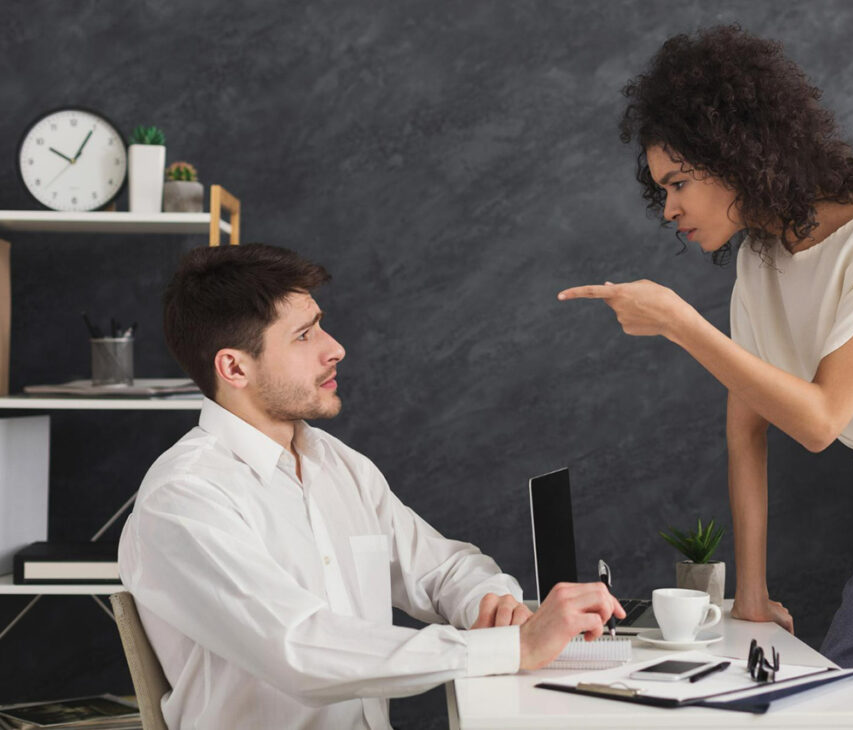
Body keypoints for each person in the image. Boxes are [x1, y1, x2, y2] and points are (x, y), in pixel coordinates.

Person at [558, 25, 853, 730]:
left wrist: (683, 322)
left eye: (679, 182)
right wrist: (751, 590)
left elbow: (819, 418)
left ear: (737, 153)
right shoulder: (760, 264)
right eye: (662, 192)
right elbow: (747, 423)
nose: (670, 208)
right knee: (829, 716)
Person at [118, 243, 623, 730]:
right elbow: (300, 649)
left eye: (321, 327)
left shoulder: (336, 464)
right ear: (233, 367)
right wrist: (513, 648)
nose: (335, 348)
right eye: (304, 335)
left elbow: (441, 567)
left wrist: (493, 605)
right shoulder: (184, 498)